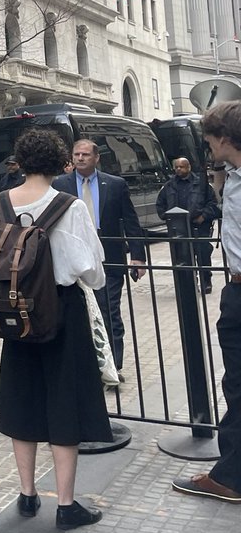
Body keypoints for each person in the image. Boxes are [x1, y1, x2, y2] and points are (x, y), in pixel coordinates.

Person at [0, 129, 112, 529]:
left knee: (22, 398)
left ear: (19, 161)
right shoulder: (68, 206)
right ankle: (67, 504)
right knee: (64, 402)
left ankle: (26, 494)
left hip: (15, 313)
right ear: (60, 163)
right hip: (61, 312)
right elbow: (92, 269)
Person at [174, 101, 241, 503]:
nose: (207, 144)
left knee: (238, 386)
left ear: (226, 137)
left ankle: (231, 478)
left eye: (210, 137)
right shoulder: (231, 177)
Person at [53, 139, 147, 373]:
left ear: (96, 158)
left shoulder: (115, 184)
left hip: (109, 258)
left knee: (108, 310)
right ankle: (84, 364)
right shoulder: (60, 184)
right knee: (76, 313)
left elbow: (131, 221)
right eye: (77, 154)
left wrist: (138, 256)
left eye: (85, 154)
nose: (80, 158)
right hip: (72, 258)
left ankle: (112, 365)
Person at [156, 157, 220, 293]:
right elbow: (160, 204)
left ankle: (205, 281)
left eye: (182, 167)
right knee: (183, 257)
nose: (179, 169)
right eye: (177, 167)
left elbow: (213, 204)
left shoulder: (201, 184)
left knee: (203, 254)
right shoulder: (169, 186)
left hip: (199, 227)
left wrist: (203, 216)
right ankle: (189, 285)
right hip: (179, 228)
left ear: (189, 167)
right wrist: (168, 218)